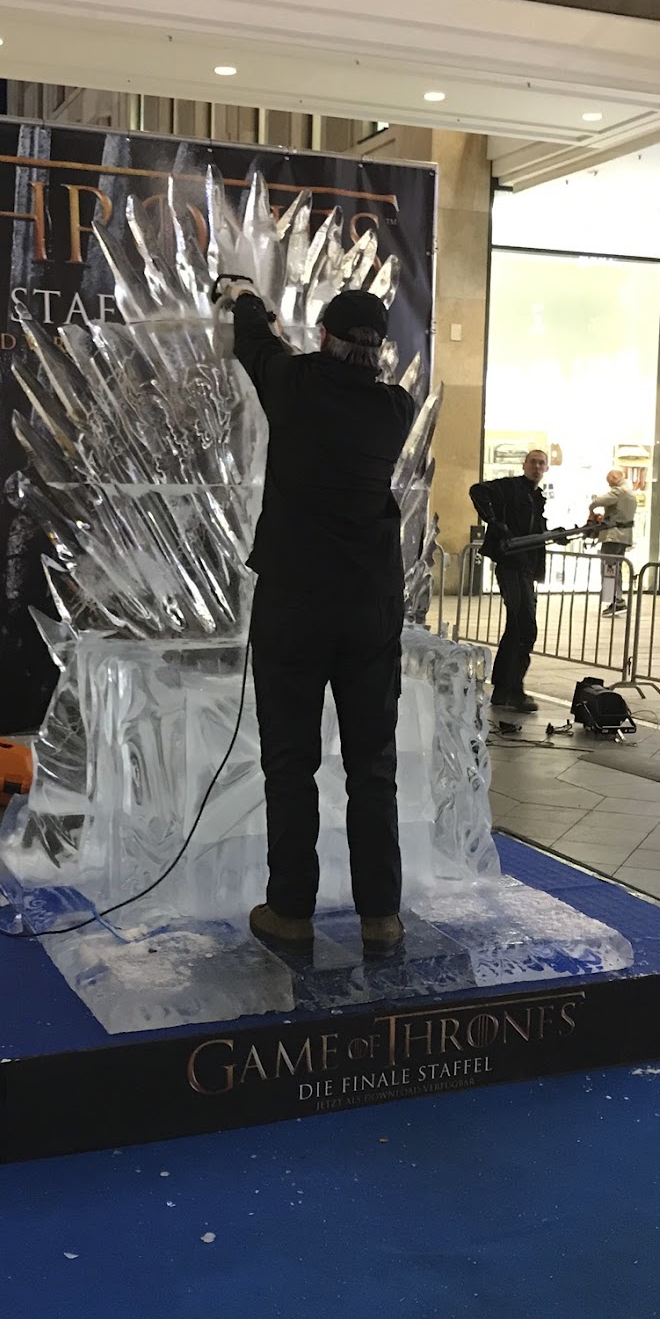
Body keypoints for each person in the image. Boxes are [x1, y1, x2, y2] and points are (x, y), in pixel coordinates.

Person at [213, 279, 415, 961]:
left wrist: (246, 297)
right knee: (373, 767)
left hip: (296, 604)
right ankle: (380, 916)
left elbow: (255, 343)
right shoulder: (395, 407)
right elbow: (324, 373)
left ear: (322, 334)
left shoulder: (294, 384)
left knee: (291, 764)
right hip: (369, 609)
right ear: (378, 349)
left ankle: (291, 911)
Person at [469, 450, 552, 714]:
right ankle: (512, 690)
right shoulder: (511, 487)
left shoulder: (536, 496)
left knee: (517, 627)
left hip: (525, 567)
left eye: (541, 463)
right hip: (512, 566)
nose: (537, 467)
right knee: (524, 626)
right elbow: (477, 491)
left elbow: (534, 530)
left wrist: (554, 535)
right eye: (533, 462)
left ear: (546, 468)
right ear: (524, 465)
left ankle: (505, 689)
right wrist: (494, 522)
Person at [588, 469, 637, 614]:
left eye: (609, 481)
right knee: (617, 568)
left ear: (615, 478)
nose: (609, 485)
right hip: (624, 536)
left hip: (613, 536)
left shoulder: (619, 491)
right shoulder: (631, 492)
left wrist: (592, 505)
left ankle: (615, 600)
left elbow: (598, 502)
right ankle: (617, 598)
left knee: (608, 568)